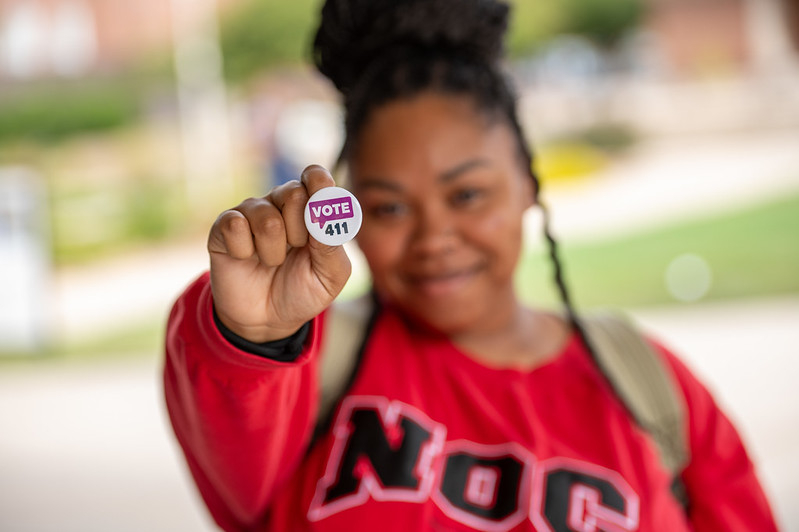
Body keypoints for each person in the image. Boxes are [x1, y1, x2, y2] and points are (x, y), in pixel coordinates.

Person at [163, 0, 778, 530]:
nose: (434, 237)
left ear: (529, 186)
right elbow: (235, 472)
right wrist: (255, 339)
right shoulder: (308, 365)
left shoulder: (653, 387)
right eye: (389, 206)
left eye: (467, 195)